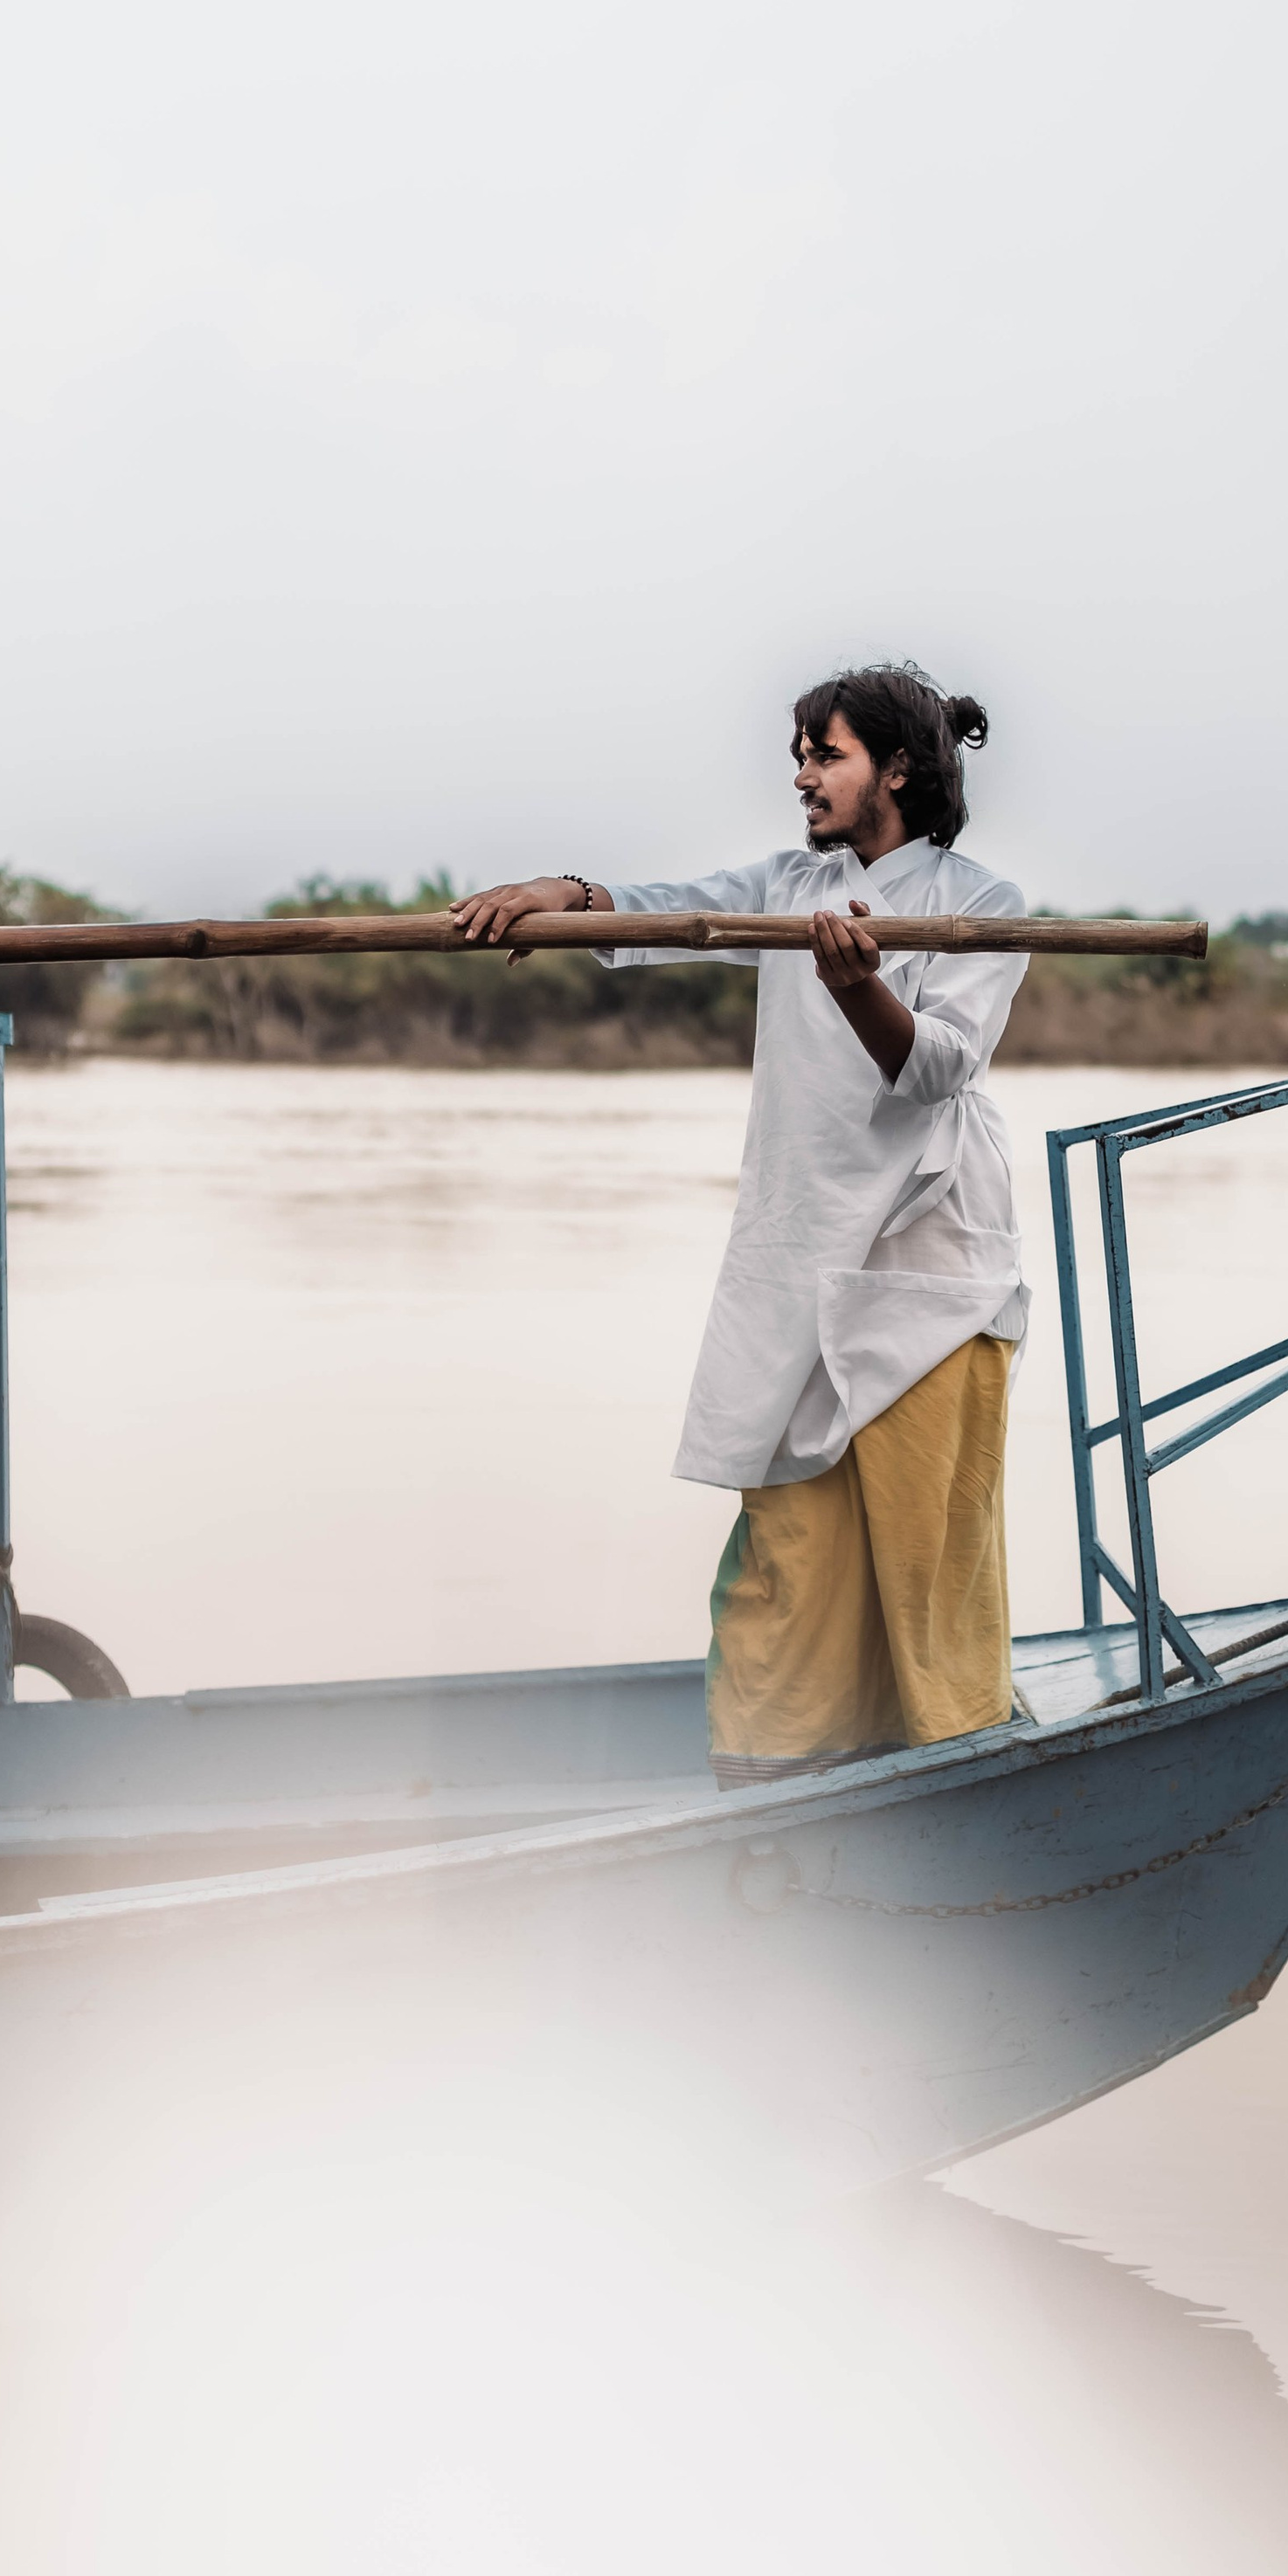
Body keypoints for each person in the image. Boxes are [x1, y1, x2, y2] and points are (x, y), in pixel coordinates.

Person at [452, 662, 1029, 1785]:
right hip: (801, 1252)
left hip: (927, 1265)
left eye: (829, 756)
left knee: (928, 1554)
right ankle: (770, 1783)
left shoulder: (982, 906)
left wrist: (858, 982)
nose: (805, 778)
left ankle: (960, 1778)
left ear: (896, 769)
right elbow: (665, 913)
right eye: (802, 756)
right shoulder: (786, 882)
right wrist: (563, 892)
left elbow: (937, 1070)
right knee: (788, 1555)